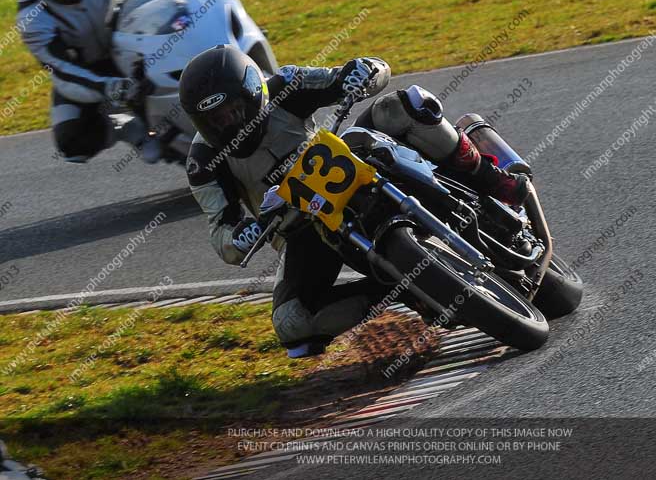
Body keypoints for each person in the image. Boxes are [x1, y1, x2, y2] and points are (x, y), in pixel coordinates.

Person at [178, 45, 530, 357]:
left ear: (254, 91)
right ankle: (404, 289)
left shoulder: (285, 86)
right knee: (292, 324)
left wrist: (363, 72)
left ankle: (493, 179)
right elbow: (220, 233)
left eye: (233, 110)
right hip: (301, 226)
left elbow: (363, 71)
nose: (225, 124)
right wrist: (240, 236)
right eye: (212, 120)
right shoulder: (203, 162)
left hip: (353, 163)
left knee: (404, 105)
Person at [17, 0, 241, 163]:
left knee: (180, 19)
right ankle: (131, 128)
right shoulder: (32, 14)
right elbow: (62, 71)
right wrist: (109, 87)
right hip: (85, 70)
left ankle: (237, 61)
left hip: (127, 41)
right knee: (71, 142)